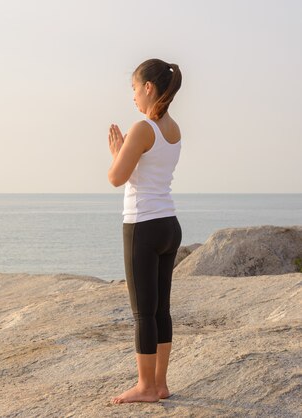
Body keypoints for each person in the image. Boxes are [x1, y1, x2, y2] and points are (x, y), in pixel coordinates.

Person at [107, 58, 183, 404]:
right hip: (169, 225)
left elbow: (116, 177)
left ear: (148, 88)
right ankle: (161, 384)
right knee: (161, 310)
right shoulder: (173, 129)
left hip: (142, 225)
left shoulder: (142, 128)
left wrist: (117, 153)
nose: (134, 98)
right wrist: (127, 152)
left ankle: (145, 386)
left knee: (143, 313)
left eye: (134, 89)